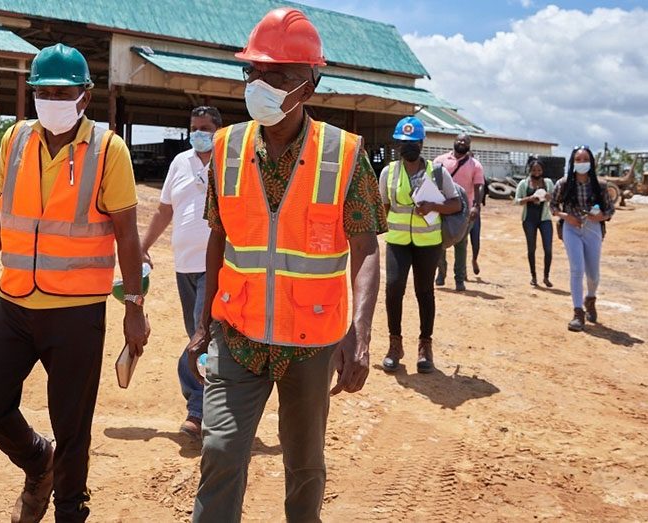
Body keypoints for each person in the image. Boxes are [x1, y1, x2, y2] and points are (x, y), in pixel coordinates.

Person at [184, 8, 384, 522]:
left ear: (309, 87)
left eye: (280, 77)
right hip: (240, 333)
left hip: (311, 342)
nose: (263, 85)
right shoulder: (227, 148)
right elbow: (217, 236)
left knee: (304, 465)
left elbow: (364, 248)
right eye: (256, 73)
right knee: (221, 450)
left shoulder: (344, 153)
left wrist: (359, 334)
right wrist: (203, 322)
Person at [0, 43, 149, 522]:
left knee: (74, 429)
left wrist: (134, 308)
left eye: (63, 91)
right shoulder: (14, 140)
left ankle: (69, 511)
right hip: (14, 303)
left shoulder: (108, 150)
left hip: (77, 314)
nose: (52, 99)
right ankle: (38, 460)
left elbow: (127, 234)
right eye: (43, 91)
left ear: (84, 96)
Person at [140, 106, 222, 439]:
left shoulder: (227, 162)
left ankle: (198, 413)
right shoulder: (180, 163)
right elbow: (164, 210)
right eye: (193, 127)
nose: (197, 133)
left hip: (214, 265)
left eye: (204, 127)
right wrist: (141, 247)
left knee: (198, 341)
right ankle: (214, 411)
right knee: (201, 338)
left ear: (218, 129)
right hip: (183, 265)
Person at [380, 116, 462, 374]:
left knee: (424, 292)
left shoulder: (437, 173)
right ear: (397, 145)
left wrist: (433, 206)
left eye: (414, 142)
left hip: (428, 242)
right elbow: (383, 206)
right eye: (404, 143)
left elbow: (456, 204)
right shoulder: (388, 172)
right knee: (394, 289)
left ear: (422, 143)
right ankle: (395, 345)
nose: (409, 147)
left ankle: (425, 347)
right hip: (397, 241)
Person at [551, 146, 614, 332]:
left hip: (593, 229)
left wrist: (600, 217)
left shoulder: (600, 185)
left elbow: (610, 210)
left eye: (585, 159)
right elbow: (552, 206)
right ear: (572, 162)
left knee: (593, 273)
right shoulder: (563, 184)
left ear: (591, 162)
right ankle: (578, 312)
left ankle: (590, 298)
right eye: (578, 160)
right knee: (577, 269)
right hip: (571, 227)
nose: (581, 163)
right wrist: (566, 216)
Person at [434, 134, 484, 290]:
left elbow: (479, 186)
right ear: (454, 142)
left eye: (466, 141)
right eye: (459, 140)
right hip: (441, 207)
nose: (462, 142)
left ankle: (459, 280)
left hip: (464, 211)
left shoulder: (475, 165)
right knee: (438, 241)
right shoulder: (440, 161)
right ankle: (441, 273)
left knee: (460, 244)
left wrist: (476, 205)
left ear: (469, 145)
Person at [514, 158, 555, 287]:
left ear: (542, 170)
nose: (537, 172)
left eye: (539, 170)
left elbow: (555, 198)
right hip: (529, 220)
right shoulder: (523, 184)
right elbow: (516, 201)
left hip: (545, 219)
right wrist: (529, 199)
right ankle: (534, 276)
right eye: (534, 170)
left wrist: (550, 197)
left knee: (548, 249)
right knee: (531, 249)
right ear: (529, 170)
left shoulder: (548, 182)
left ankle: (546, 277)